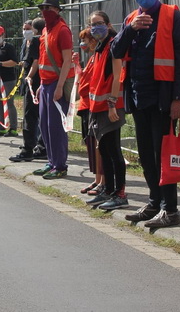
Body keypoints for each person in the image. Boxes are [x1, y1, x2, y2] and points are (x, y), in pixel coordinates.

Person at [112, 0, 180, 228]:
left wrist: (178, 97)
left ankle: (171, 209)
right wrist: (129, 30)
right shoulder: (131, 19)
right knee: (146, 154)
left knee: (161, 154)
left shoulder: (170, 14)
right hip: (138, 97)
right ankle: (154, 202)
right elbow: (116, 51)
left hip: (163, 98)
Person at [82, 11, 127, 211]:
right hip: (98, 107)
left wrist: (111, 104)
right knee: (105, 151)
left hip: (110, 107)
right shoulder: (100, 47)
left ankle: (120, 193)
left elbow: (117, 77)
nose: (95, 28)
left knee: (113, 150)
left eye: (99, 23)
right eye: (92, 24)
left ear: (108, 25)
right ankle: (108, 189)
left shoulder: (113, 45)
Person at [32, 0, 75, 180]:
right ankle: (51, 161)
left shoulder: (62, 30)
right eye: (42, 7)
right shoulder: (46, 30)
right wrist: (41, 84)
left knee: (56, 127)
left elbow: (66, 61)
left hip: (56, 84)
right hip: (45, 84)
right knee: (45, 125)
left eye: (48, 8)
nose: (44, 11)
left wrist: (58, 87)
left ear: (57, 10)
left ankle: (60, 165)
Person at [10, 19, 47, 162]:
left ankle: (28, 150)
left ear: (35, 29)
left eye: (28, 28)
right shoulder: (33, 43)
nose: (26, 31)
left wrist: (29, 76)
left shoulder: (36, 42)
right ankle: (41, 147)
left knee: (29, 117)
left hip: (34, 84)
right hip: (37, 83)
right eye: (24, 28)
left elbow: (35, 61)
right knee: (38, 116)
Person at [75, 28, 105, 201]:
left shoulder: (99, 57)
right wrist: (77, 66)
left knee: (98, 145)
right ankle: (97, 178)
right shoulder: (92, 58)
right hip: (86, 105)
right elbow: (83, 79)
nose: (84, 44)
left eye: (86, 40)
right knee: (91, 143)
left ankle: (103, 180)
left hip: (93, 105)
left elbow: (90, 82)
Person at [0, 25, 20, 137]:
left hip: (8, 79)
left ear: (3, 35)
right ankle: (2, 126)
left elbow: (14, 62)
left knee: (9, 103)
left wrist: (1, 64)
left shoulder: (9, 47)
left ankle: (13, 128)